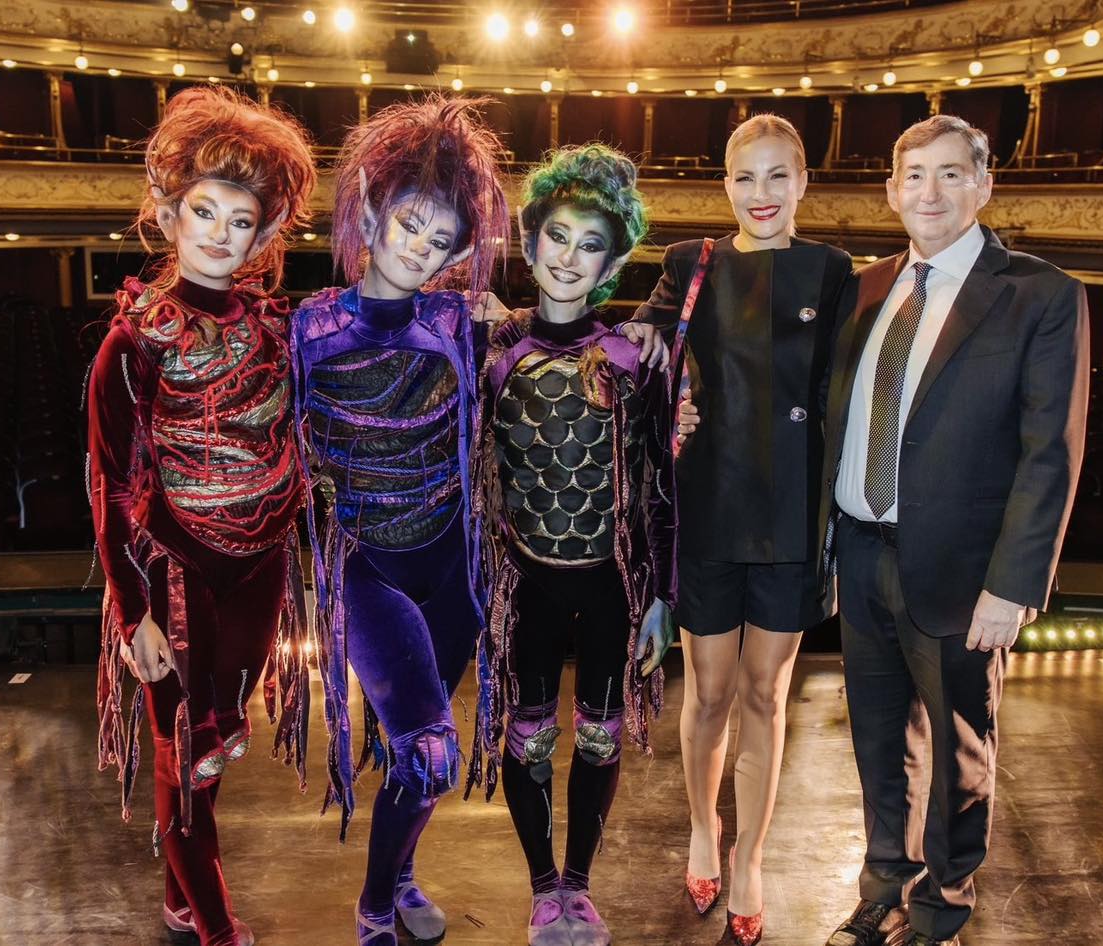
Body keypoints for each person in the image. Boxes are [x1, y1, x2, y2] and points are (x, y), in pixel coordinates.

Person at [283, 99, 666, 946]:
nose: (420, 247)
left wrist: (663, 344)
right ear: (371, 213)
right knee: (428, 747)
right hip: (367, 568)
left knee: (416, 750)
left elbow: (579, 378)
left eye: (441, 239)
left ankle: (404, 873)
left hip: (453, 569)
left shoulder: (459, 322)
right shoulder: (307, 329)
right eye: (409, 226)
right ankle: (373, 906)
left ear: (461, 252)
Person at [819, 115, 1088, 946]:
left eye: (949, 173)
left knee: (959, 755)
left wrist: (1014, 586)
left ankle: (942, 908)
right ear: (891, 190)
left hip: (966, 575)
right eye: (914, 175)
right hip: (860, 552)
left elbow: (1051, 453)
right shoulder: (868, 286)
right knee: (878, 744)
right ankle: (882, 891)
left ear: (984, 185)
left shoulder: (1040, 295)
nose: (929, 192)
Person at [89, 85, 316, 946]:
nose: (221, 233)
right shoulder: (134, 339)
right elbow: (111, 486)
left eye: (241, 220)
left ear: (263, 234)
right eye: (205, 212)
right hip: (173, 575)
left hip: (260, 570)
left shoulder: (276, 327)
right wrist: (133, 613)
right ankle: (215, 927)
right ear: (169, 214)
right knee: (182, 746)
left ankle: (180, 895)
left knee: (211, 747)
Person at [632, 113, 853, 946]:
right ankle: (703, 828)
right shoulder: (690, 264)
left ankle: (750, 857)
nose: (761, 193)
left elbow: (847, 388)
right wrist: (668, 406)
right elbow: (632, 353)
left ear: (803, 183)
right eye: (744, 177)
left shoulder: (833, 271)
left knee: (766, 694)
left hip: (792, 512)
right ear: (725, 184)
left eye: (777, 175)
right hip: (710, 505)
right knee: (711, 690)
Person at [471, 144, 677, 946]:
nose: (569, 256)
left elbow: (660, 486)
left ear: (613, 263)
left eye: (590, 244)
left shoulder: (633, 357)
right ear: (530, 242)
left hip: (611, 586)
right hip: (527, 582)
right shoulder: (493, 348)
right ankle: (540, 887)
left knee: (599, 732)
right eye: (557, 236)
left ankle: (578, 886)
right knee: (526, 735)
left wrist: (662, 597)